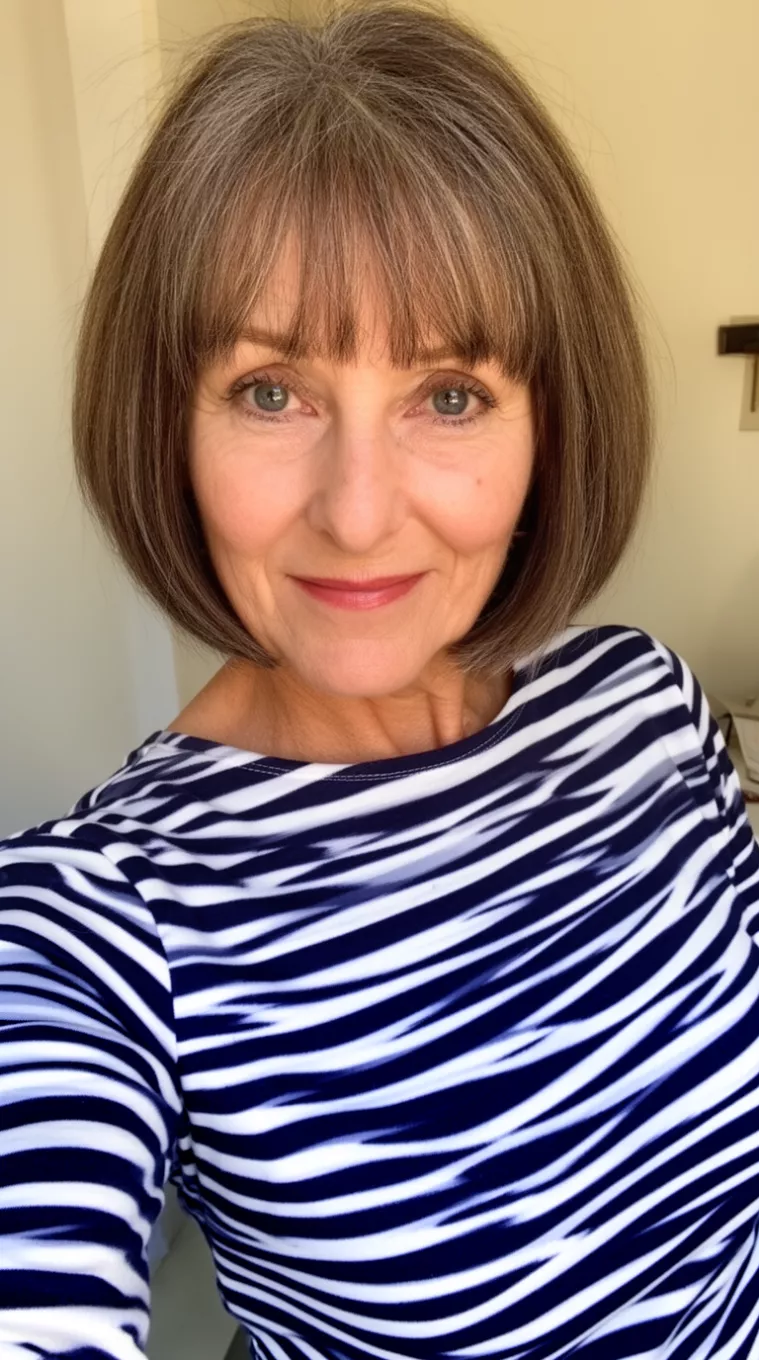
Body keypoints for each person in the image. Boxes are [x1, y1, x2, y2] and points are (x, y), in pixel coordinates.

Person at [1, 0, 758, 1355]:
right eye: (270, 391)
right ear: (166, 423)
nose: (357, 514)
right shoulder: (98, 922)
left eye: (450, 394)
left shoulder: (651, 711)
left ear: (548, 427)